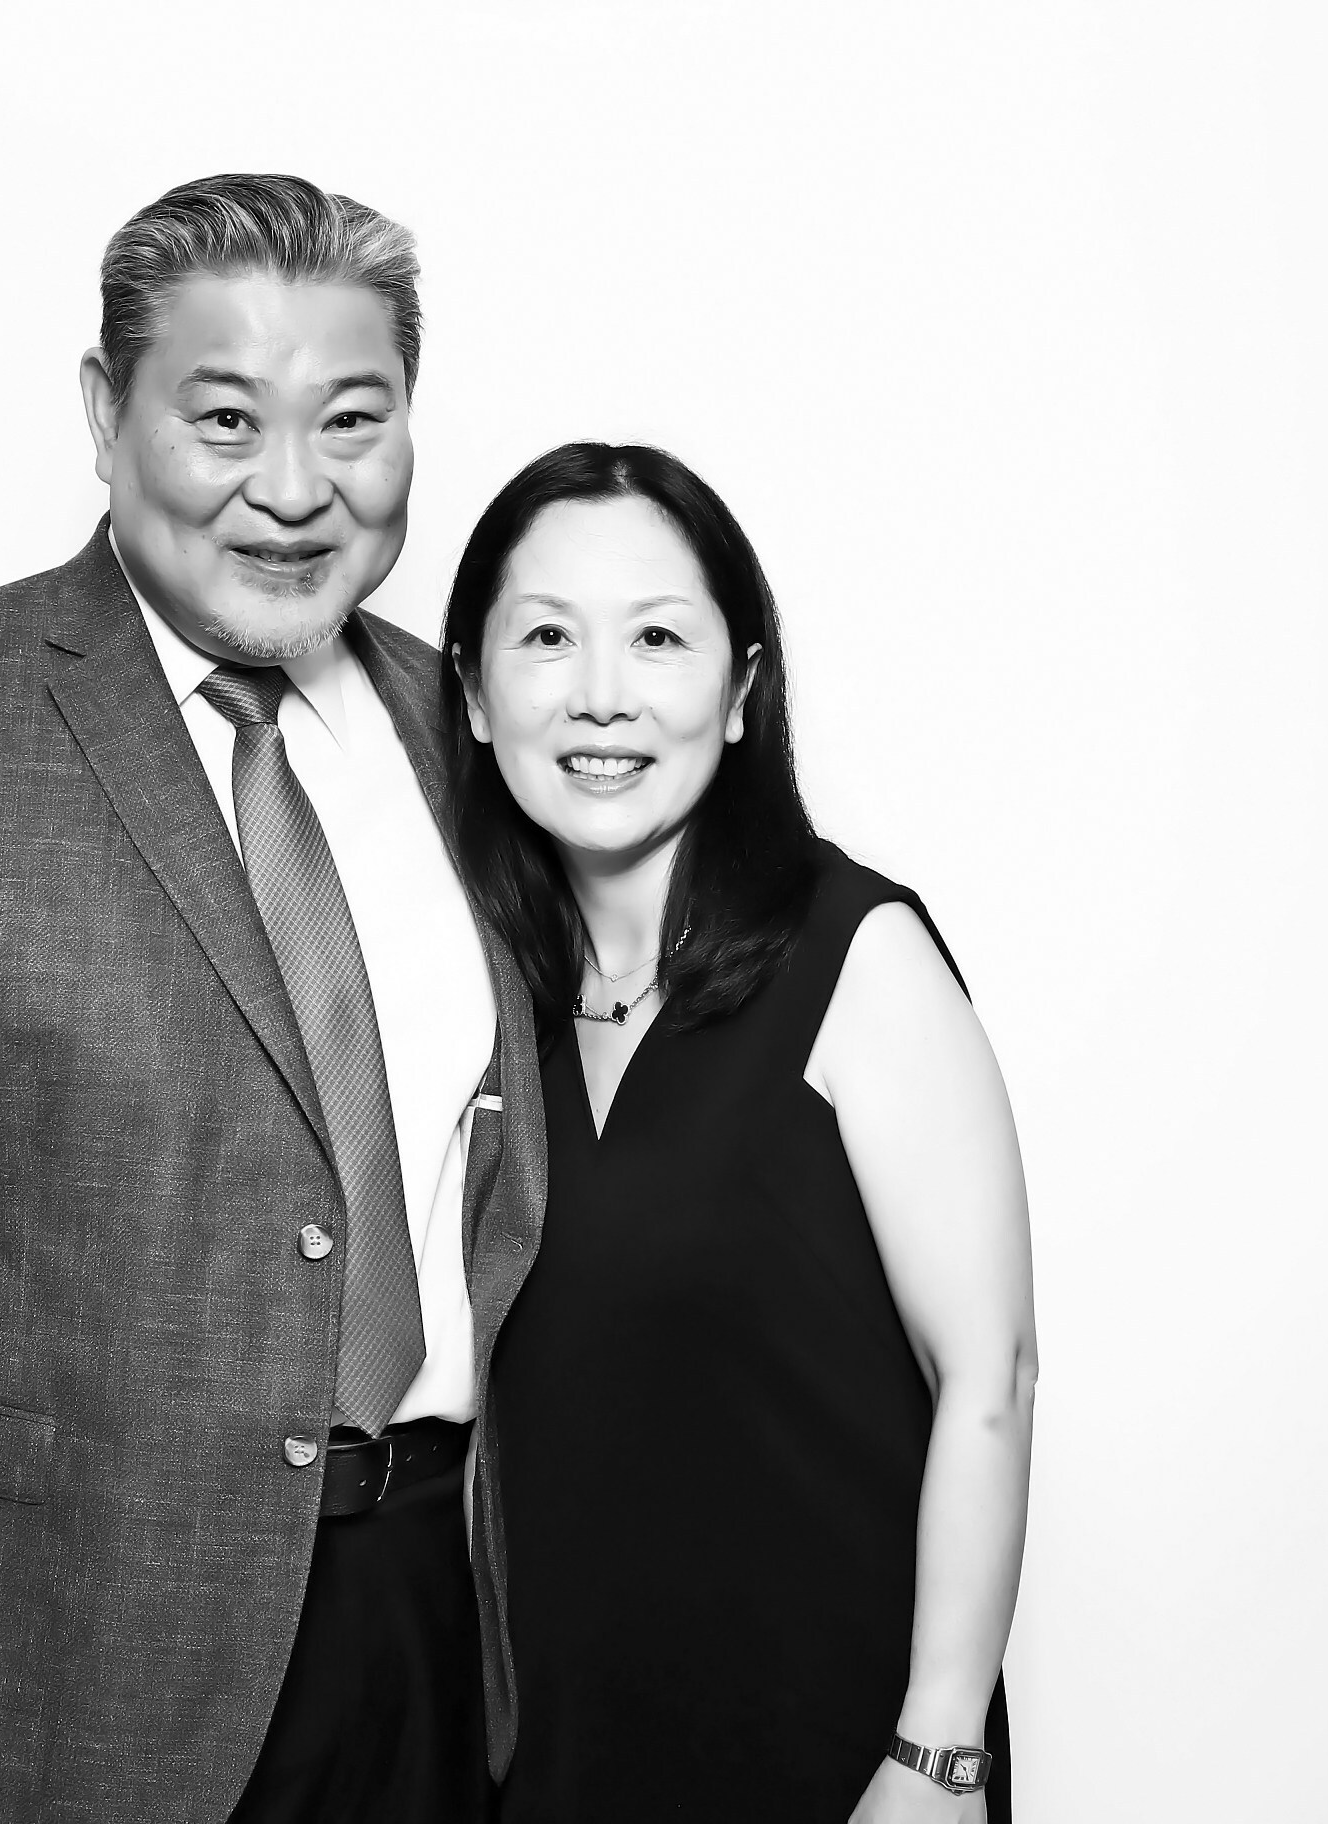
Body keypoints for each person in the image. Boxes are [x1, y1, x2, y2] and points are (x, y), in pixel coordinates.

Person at [0, 174, 547, 1824]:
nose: (294, 487)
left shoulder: (476, 730)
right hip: (69, 1670)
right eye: (225, 419)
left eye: (352, 420)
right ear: (103, 414)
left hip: (448, 1641)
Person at [443, 443, 1038, 1822]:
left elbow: (990, 1374)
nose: (601, 694)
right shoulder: (485, 1002)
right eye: (547, 638)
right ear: (472, 693)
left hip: (842, 1756)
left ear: (740, 692)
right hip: (570, 1762)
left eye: (658, 637)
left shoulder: (859, 955)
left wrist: (938, 1751)